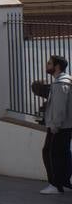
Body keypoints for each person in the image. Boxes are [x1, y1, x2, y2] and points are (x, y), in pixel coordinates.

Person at [39, 54, 72, 194]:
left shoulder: (60, 84)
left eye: (49, 63)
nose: (47, 65)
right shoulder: (64, 81)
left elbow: (59, 108)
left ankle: (55, 185)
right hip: (65, 126)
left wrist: (55, 125)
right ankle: (64, 183)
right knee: (63, 153)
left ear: (57, 66)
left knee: (51, 153)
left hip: (58, 127)